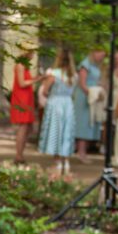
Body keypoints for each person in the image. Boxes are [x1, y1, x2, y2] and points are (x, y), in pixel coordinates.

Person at [38, 47, 77, 177]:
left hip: (56, 103)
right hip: (68, 104)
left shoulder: (54, 74)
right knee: (66, 131)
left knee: (56, 131)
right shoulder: (74, 75)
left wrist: (50, 93)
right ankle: (66, 161)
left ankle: (57, 161)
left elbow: (44, 90)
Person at [10, 50, 46, 164]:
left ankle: (20, 154)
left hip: (26, 98)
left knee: (27, 128)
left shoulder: (25, 66)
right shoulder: (20, 65)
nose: (33, 56)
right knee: (23, 127)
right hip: (21, 99)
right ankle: (18, 155)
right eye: (32, 53)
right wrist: (37, 79)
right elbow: (22, 83)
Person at [72, 47, 105, 161]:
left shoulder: (96, 66)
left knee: (90, 125)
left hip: (92, 98)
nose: (102, 57)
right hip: (84, 99)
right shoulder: (85, 65)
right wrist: (92, 93)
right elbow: (82, 84)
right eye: (101, 54)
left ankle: (83, 152)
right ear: (94, 52)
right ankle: (81, 153)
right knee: (83, 125)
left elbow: (95, 81)